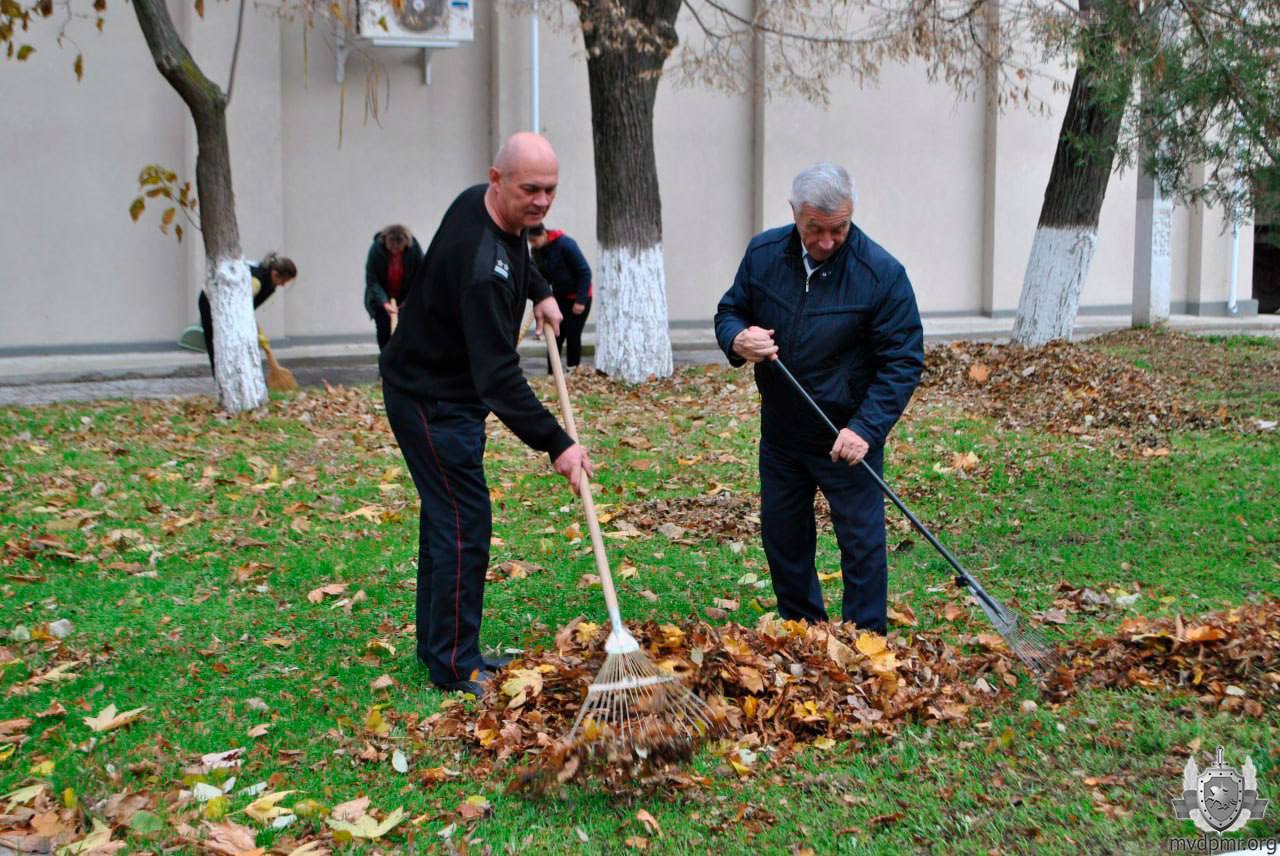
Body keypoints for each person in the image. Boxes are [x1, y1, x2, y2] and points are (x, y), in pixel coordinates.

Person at [380, 132, 593, 695]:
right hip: (430, 397)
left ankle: (441, 647)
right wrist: (558, 444)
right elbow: (498, 379)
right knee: (462, 522)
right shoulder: (481, 274)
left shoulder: (482, 203)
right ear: (499, 179)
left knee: (447, 517)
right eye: (530, 189)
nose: (542, 202)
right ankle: (454, 663)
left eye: (550, 189)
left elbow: (519, 251)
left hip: (446, 391)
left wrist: (541, 289)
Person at [714, 163, 924, 635]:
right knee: (784, 537)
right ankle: (802, 630)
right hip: (783, 433)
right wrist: (736, 339)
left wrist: (865, 429)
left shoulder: (882, 274)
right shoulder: (764, 253)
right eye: (815, 230)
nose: (828, 241)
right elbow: (731, 310)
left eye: (839, 229)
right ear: (794, 215)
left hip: (845, 436)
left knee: (861, 542)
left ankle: (866, 639)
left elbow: (903, 360)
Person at [197, 253, 298, 376]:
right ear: (274, 273)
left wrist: (259, 336)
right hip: (211, 301)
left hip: (228, 304)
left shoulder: (269, 284)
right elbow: (241, 309)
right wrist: (257, 332)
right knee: (217, 345)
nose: (282, 285)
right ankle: (222, 379)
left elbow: (247, 310)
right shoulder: (256, 282)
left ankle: (236, 378)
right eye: (283, 281)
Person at [528, 224, 592, 373]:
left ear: (543, 234)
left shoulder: (566, 244)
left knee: (573, 335)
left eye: (534, 240)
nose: (533, 243)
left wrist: (580, 301)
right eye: (530, 241)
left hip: (579, 298)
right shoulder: (537, 251)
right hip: (559, 297)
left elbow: (585, 272)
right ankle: (553, 373)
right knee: (555, 335)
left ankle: (572, 370)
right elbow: (542, 277)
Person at [364, 225, 424, 350]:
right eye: (391, 249)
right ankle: (386, 361)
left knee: (407, 331)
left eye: (399, 250)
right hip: (381, 297)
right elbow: (372, 280)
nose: (395, 252)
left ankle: (403, 364)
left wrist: (408, 300)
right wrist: (385, 303)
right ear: (385, 242)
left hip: (406, 295)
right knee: (384, 329)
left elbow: (421, 276)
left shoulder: (414, 249)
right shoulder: (376, 250)